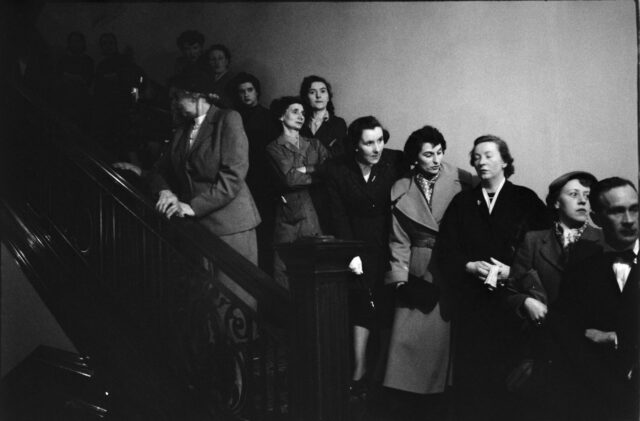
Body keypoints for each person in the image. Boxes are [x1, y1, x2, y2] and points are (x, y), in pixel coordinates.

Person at [436, 135, 551, 421]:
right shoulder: (463, 202)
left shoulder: (526, 199)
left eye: (488, 155)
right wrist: (469, 267)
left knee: (511, 376)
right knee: (473, 379)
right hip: (472, 304)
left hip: (513, 302)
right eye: (476, 157)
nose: (480, 161)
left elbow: (543, 251)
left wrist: (514, 273)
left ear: (505, 161)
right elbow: (445, 250)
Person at [382, 126, 473, 420]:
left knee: (449, 347)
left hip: (455, 264)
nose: (436, 159)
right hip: (420, 270)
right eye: (428, 154)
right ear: (414, 159)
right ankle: (410, 406)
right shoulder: (400, 188)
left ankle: (442, 404)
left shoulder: (463, 180)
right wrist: (399, 278)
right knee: (407, 344)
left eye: (439, 152)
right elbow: (399, 239)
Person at [503, 171, 604, 420]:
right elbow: (509, 291)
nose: (582, 201)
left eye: (588, 196)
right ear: (556, 202)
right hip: (541, 354)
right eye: (574, 194)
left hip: (589, 356)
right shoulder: (534, 240)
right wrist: (525, 302)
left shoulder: (604, 241)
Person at [148, 67, 260, 270]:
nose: (173, 103)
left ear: (196, 96)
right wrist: (165, 191)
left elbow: (233, 176)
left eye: (176, 97)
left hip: (230, 227)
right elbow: (159, 170)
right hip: (198, 228)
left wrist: (192, 206)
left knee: (235, 297)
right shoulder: (183, 129)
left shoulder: (228, 119)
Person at [324, 116, 405, 397]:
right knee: (360, 304)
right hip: (355, 244)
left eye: (380, 140)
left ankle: (383, 372)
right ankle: (358, 371)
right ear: (355, 145)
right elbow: (337, 215)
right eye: (369, 142)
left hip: (389, 243)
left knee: (386, 305)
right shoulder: (337, 170)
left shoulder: (393, 163)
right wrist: (351, 252)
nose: (376, 148)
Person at [554, 177, 638, 421]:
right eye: (617, 211)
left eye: (634, 208)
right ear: (597, 218)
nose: (629, 220)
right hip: (598, 398)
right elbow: (566, 330)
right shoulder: (581, 266)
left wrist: (617, 339)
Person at [266, 96, 329, 288]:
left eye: (303, 112)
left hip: (315, 211)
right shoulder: (273, 147)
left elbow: (330, 171)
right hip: (289, 214)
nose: (301, 116)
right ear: (281, 116)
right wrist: (315, 169)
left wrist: (305, 170)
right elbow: (290, 179)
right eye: (295, 111)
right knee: (285, 272)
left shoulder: (315, 144)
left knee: (317, 268)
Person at [231, 72, 279, 275]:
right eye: (241, 92)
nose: (246, 95)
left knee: (265, 233)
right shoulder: (232, 117)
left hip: (264, 181)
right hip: (241, 179)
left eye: (249, 90)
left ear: (257, 92)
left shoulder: (268, 117)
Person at [299, 75, 347, 158]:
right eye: (312, 92)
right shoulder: (299, 122)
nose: (318, 96)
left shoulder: (339, 123)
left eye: (323, 91)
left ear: (328, 97)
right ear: (306, 97)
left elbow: (338, 156)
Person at [201, 44, 234, 108]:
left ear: (226, 61)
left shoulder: (233, 79)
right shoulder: (207, 79)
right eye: (213, 59)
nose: (217, 62)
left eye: (220, 58)